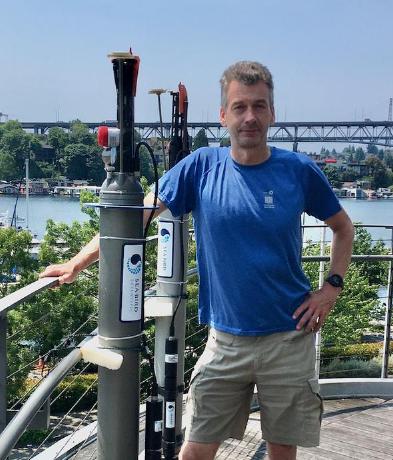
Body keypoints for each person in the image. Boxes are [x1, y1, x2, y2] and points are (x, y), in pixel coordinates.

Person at [41, 61, 354, 460]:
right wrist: (77, 262)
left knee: (281, 448)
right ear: (223, 115)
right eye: (240, 107)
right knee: (196, 449)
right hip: (225, 339)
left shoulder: (299, 171)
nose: (250, 117)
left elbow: (343, 228)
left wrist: (330, 290)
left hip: (289, 337)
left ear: (273, 114)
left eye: (260, 106)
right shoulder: (202, 166)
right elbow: (135, 217)